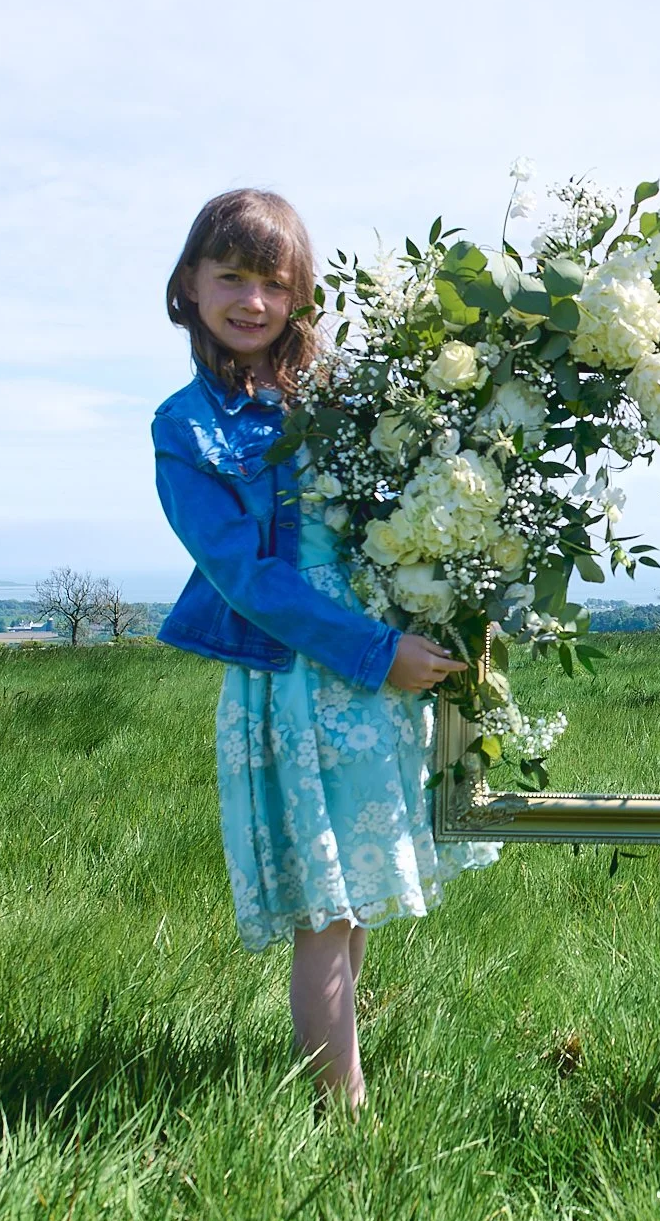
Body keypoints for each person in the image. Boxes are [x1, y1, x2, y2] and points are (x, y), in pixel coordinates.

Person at [151, 188, 497, 1113]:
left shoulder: (337, 393)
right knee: (326, 905)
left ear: (303, 292)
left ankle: (340, 1086)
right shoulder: (186, 428)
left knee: (355, 892)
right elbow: (246, 578)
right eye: (232, 277)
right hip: (301, 671)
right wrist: (377, 651)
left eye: (274, 282)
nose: (253, 300)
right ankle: (343, 1115)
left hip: (377, 663)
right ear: (190, 284)